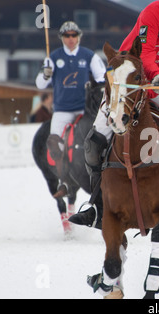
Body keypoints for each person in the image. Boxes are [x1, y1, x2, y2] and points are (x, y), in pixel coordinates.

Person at [69, 0, 159, 231]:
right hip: (128, 79)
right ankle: (95, 206)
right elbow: (145, 50)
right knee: (95, 139)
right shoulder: (155, 11)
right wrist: (154, 73)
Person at [35, 21, 106, 198]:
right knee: (54, 142)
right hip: (62, 110)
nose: (71, 39)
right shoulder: (53, 58)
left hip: (85, 110)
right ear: (62, 38)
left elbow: (102, 78)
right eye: (67, 35)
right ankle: (64, 180)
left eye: (74, 35)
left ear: (79, 37)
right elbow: (40, 84)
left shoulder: (89, 56)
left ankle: (103, 173)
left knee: (100, 139)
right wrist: (46, 74)